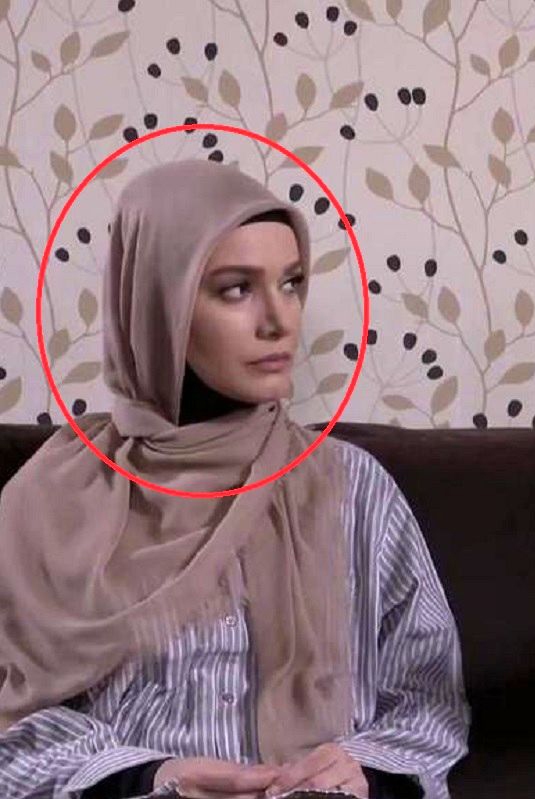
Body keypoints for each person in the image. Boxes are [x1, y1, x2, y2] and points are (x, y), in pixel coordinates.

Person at [0, 161, 468, 799]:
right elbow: (13, 721)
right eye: (236, 289)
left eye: (291, 283)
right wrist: (147, 775)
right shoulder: (56, 497)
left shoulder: (352, 488)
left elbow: (430, 703)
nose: (279, 320)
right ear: (157, 305)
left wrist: (361, 770)